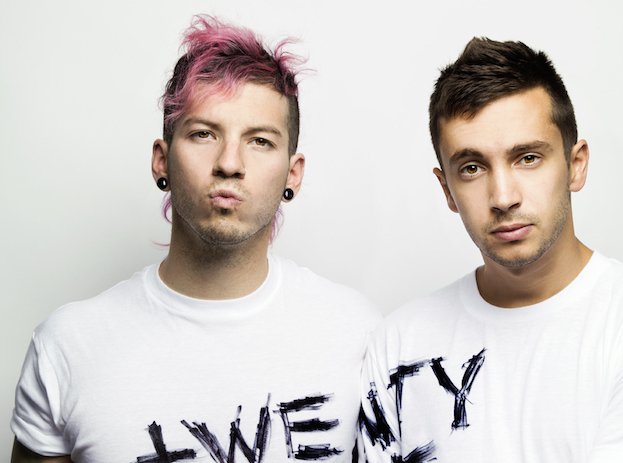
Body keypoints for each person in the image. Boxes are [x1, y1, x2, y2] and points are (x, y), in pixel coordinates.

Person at [11, 15, 378, 463]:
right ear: (161, 161)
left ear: (293, 173)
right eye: (203, 134)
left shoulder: (358, 335)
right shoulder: (68, 347)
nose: (230, 163)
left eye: (260, 141)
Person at [359, 38, 623, 462]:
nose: (503, 197)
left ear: (575, 165)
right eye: (472, 168)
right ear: (447, 189)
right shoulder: (398, 342)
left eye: (527, 158)